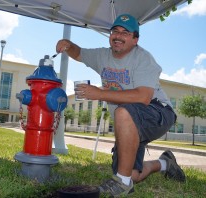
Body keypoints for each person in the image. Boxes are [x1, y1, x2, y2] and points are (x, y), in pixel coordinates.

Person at [56, 14, 185, 197]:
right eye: (115, 31)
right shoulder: (102, 56)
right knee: (133, 174)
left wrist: (99, 93)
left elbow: (143, 97)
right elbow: (79, 53)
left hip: (158, 111)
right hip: (129, 120)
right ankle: (165, 163)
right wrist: (67, 44)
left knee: (123, 112)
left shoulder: (143, 58)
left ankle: (122, 183)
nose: (118, 36)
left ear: (135, 39)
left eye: (125, 33)